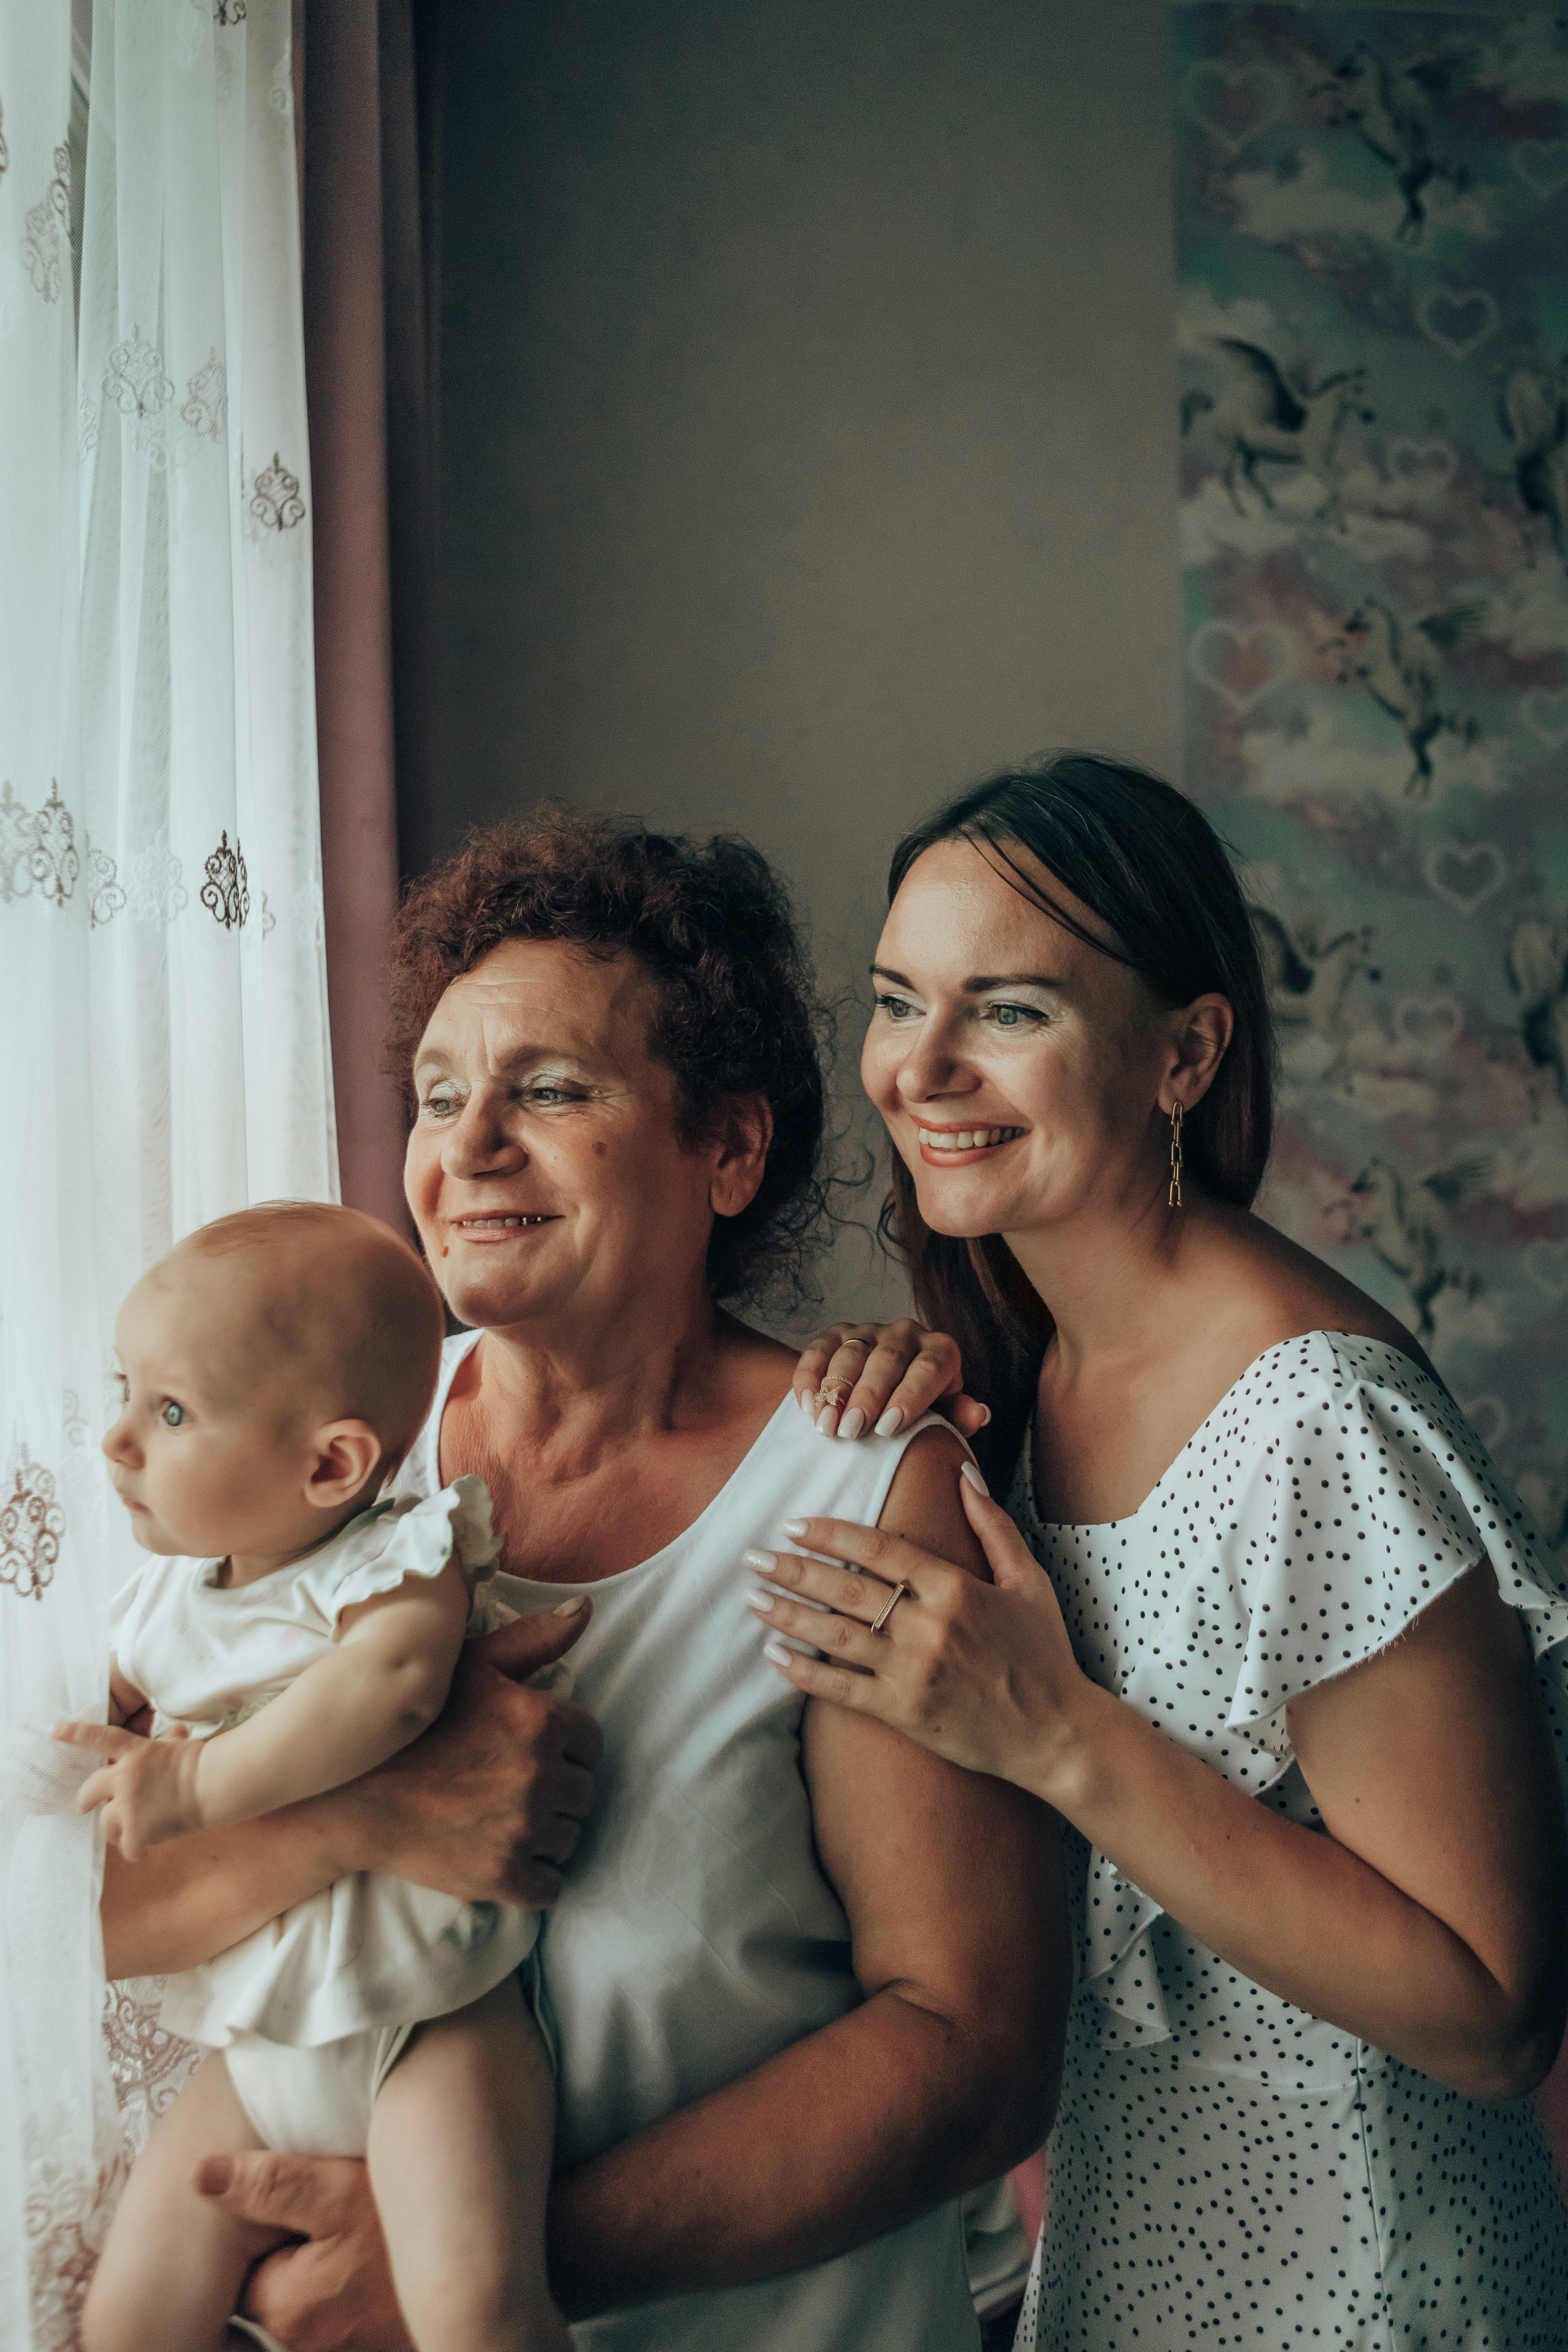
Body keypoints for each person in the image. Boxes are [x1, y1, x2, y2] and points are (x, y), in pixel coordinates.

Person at [97, 812, 1065, 2352]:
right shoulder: (320, 1453)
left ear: (728, 1148)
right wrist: (362, 1814)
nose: (468, 1145)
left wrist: (471, 2271)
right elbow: (105, 1906)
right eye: (436, 1095)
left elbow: (971, 2049)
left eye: (548, 1090)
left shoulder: (865, 1487)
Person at [761, 755, 1568, 2350]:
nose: (919, 1067)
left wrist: (1057, 1733)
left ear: (1184, 1052)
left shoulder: (1317, 1421)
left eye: (1006, 1011)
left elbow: (1493, 2016)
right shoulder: (1017, 1367)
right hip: (1138, 2249)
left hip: (1367, 2280)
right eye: (896, 999)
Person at [56, 1204, 568, 2352]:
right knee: (127, 2314)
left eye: (172, 1411)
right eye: (124, 1391)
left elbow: (389, 1692)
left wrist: (194, 1785)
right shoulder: (163, 1600)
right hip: (259, 2043)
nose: (118, 1442)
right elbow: (88, 1742)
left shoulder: (394, 1563)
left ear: (330, 1463)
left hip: (431, 2029)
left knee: (476, 2304)